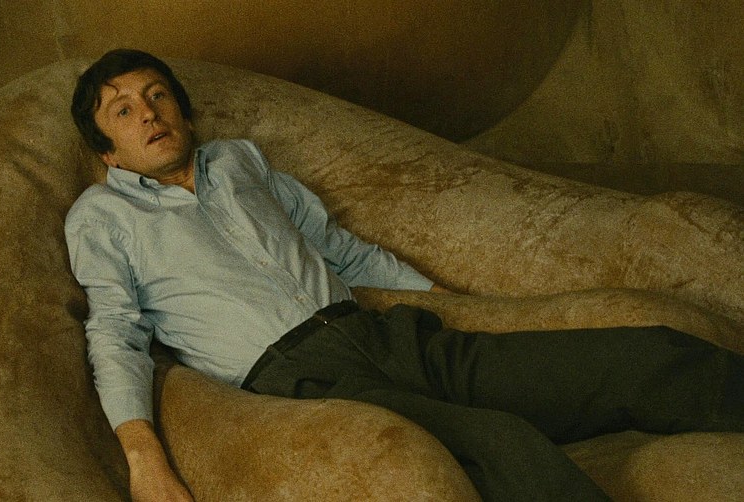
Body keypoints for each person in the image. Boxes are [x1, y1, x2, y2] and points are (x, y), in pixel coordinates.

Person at [65, 49, 743, 502]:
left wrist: (449, 301)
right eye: (122, 110)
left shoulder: (240, 161)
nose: (148, 112)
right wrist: (143, 456)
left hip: (385, 335)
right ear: (108, 153)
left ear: (184, 112)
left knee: (643, 352)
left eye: (158, 95)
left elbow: (340, 250)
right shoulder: (104, 215)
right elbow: (116, 331)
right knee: (504, 445)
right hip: (302, 378)